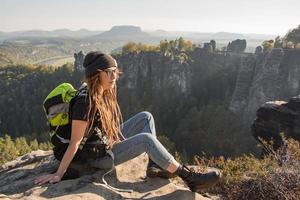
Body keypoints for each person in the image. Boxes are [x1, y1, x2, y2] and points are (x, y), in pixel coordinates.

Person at [35, 51, 221, 193]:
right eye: (109, 72)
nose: (114, 76)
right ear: (96, 74)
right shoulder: (85, 102)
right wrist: (58, 174)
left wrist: (114, 138)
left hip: (101, 143)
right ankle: (189, 177)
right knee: (146, 140)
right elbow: (75, 142)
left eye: (116, 71)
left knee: (146, 116)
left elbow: (100, 128)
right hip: (93, 159)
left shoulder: (99, 93)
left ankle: (155, 166)